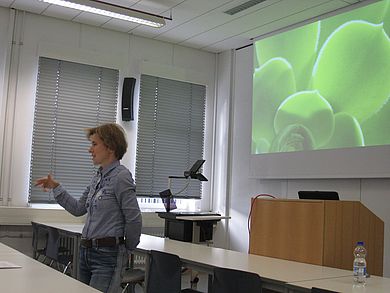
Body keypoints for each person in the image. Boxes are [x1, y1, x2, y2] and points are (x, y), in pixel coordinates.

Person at [35, 123, 142, 293]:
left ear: (110, 147)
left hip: (107, 255)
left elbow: (133, 219)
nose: (89, 150)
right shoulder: (98, 177)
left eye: (94, 144)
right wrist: (56, 187)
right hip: (86, 252)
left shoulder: (122, 177)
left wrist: (125, 250)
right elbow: (78, 208)